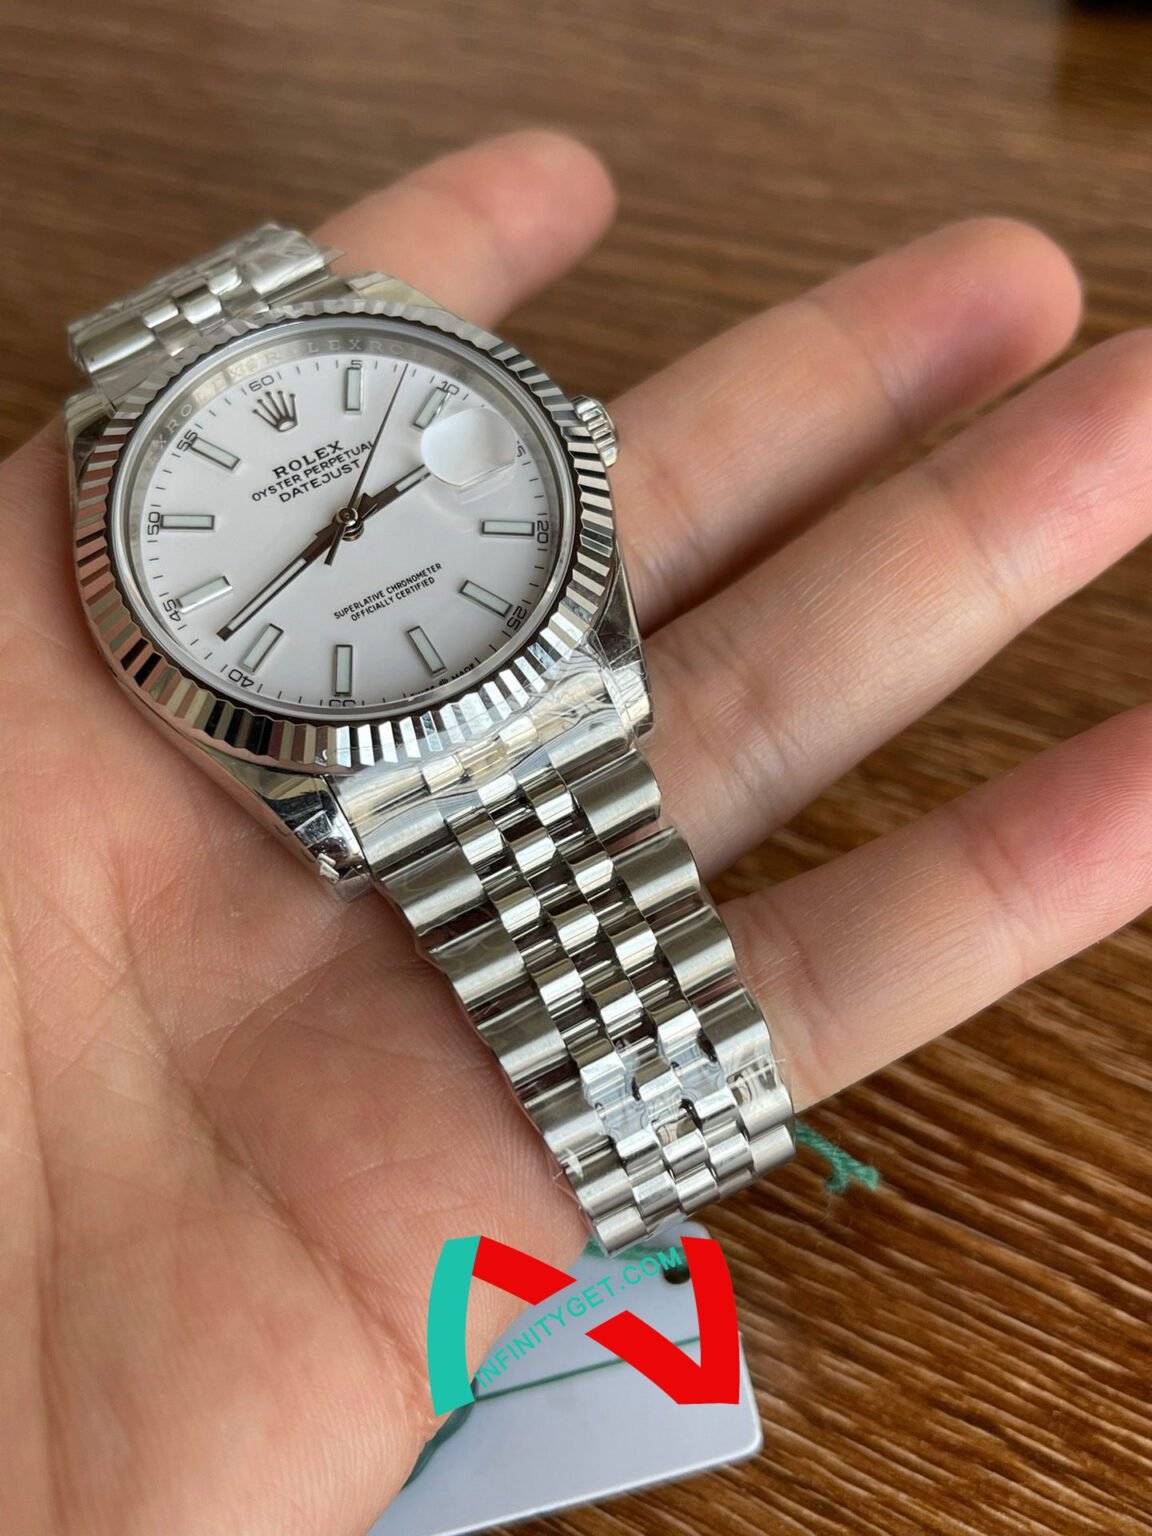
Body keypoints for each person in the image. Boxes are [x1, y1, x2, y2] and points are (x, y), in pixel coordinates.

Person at [2, 130, 1149, 1536]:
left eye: (360, 504)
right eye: (331, 529)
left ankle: (670, 1135)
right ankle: (664, 1139)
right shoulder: (128, 537)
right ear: (136, 620)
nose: (349, 526)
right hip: (367, 776)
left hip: (536, 684)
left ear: (572, 449)